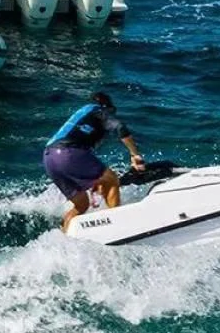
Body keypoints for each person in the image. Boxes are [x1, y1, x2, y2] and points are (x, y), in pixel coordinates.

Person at [43, 90, 145, 232]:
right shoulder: (99, 111)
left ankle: (65, 239)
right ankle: (116, 228)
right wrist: (135, 155)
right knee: (112, 179)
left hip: (49, 158)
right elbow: (120, 127)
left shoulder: (82, 116)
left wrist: (95, 181)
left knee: (81, 205)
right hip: (68, 152)